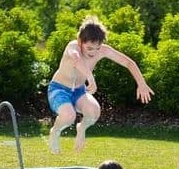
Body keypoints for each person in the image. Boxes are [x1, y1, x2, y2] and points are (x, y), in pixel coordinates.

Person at [47, 15, 154, 154]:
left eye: (97, 48)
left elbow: (128, 62)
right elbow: (76, 60)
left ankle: (81, 128)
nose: (94, 52)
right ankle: (55, 131)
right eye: (89, 48)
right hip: (59, 89)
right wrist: (90, 77)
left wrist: (141, 83)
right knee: (68, 116)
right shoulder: (73, 47)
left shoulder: (103, 50)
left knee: (94, 112)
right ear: (80, 41)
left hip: (79, 91)